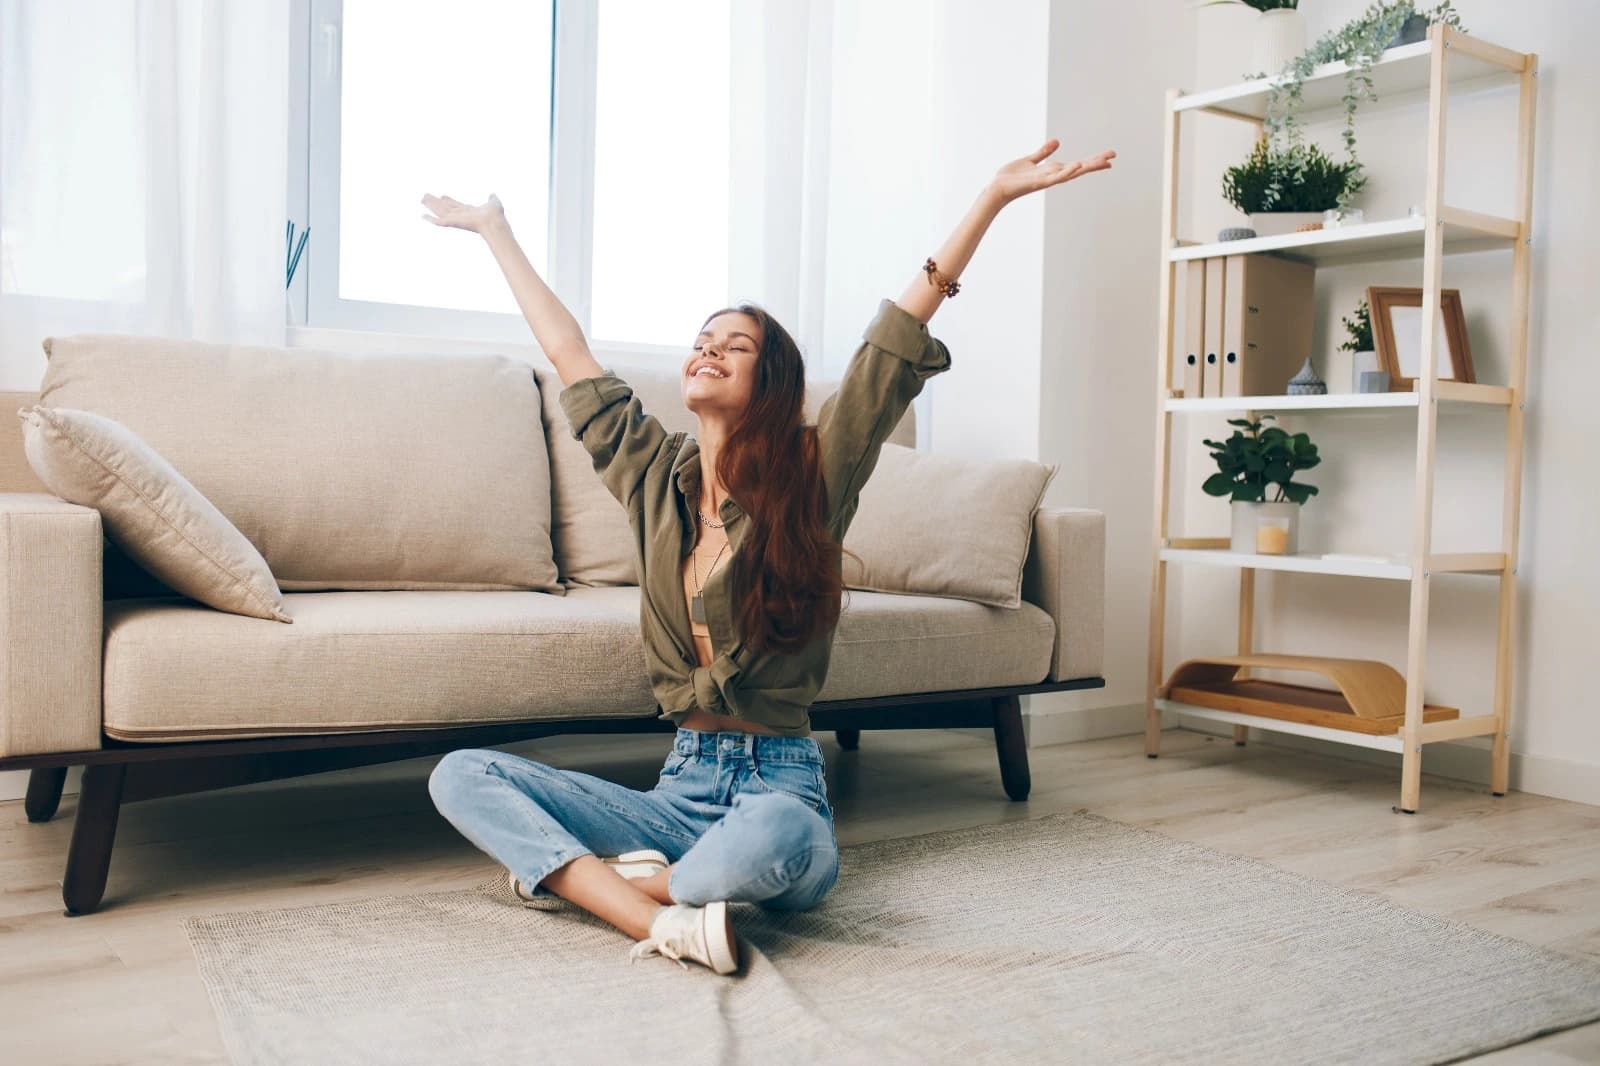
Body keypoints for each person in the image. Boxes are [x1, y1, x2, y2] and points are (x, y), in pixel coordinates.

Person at [423, 137, 1115, 975]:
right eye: (702, 338)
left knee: (783, 836)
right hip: (677, 791)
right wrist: (496, 232)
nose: (707, 348)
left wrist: (993, 198)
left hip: (778, 784)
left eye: (735, 344)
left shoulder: (813, 476)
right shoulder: (653, 476)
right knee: (461, 776)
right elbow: (569, 356)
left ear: (772, 379)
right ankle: (666, 912)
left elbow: (891, 345)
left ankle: (604, 889)